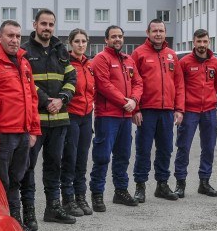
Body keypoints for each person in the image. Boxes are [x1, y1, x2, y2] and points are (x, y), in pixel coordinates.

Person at [0, 20, 42, 231]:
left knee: (16, 180)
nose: (15, 40)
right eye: (10, 36)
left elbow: (32, 98)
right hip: (3, 135)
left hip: (23, 133)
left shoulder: (24, 63)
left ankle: (14, 224)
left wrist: (33, 129)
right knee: (1, 181)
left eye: (18, 36)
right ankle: (2, 228)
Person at [20, 9, 78, 226]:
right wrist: (46, 101)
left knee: (54, 165)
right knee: (27, 167)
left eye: (51, 24)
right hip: (36, 121)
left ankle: (53, 208)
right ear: (35, 24)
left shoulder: (61, 49)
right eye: (43, 23)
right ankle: (29, 211)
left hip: (60, 119)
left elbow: (72, 77)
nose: (47, 28)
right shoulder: (24, 51)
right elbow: (25, 82)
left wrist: (62, 99)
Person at [89, 25, 143, 211]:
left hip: (125, 116)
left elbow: (138, 82)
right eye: (113, 37)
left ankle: (120, 191)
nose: (117, 39)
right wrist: (125, 102)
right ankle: (97, 194)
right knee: (102, 156)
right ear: (106, 39)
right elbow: (104, 85)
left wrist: (134, 101)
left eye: (120, 36)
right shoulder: (100, 59)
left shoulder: (128, 60)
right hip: (107, 116)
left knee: (123, 155)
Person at [131, 19, 185, 202]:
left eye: (161, 30)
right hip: (146, 110)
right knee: (143, 149)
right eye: (154, 31)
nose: (158, 34)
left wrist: (179, 109)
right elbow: (133, 83)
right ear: (148, 32)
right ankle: (140, 186)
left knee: (165, 149)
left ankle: (162, 184)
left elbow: (178, 84)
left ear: (165, 32)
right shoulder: (138, 54)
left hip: (167, 111)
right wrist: (135, 109)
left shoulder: (171, 55)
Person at [174, 29, 217, 197]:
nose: (202, 45)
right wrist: (180, 109)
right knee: (183, 147)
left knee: (209, 147)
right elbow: (179, 87)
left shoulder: (216, 63)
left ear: (208, 42)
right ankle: (180, 183)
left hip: (209, 111)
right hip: (189, 111)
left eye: (205, 42)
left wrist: (209, 98)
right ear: (193, 42)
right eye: (199, 41)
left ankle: (204, 182)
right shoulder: (185, 62)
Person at [60, 28, 95, 216]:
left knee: (82, 159)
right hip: (71, 115)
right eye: (77, 41)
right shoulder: (66, 63)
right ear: (70, 43)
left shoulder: (89, 65)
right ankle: (68, 198)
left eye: (83, 41)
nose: (81, 45)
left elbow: (92, 90)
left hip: (87, 116)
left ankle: (81, 196)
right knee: (70, 158)